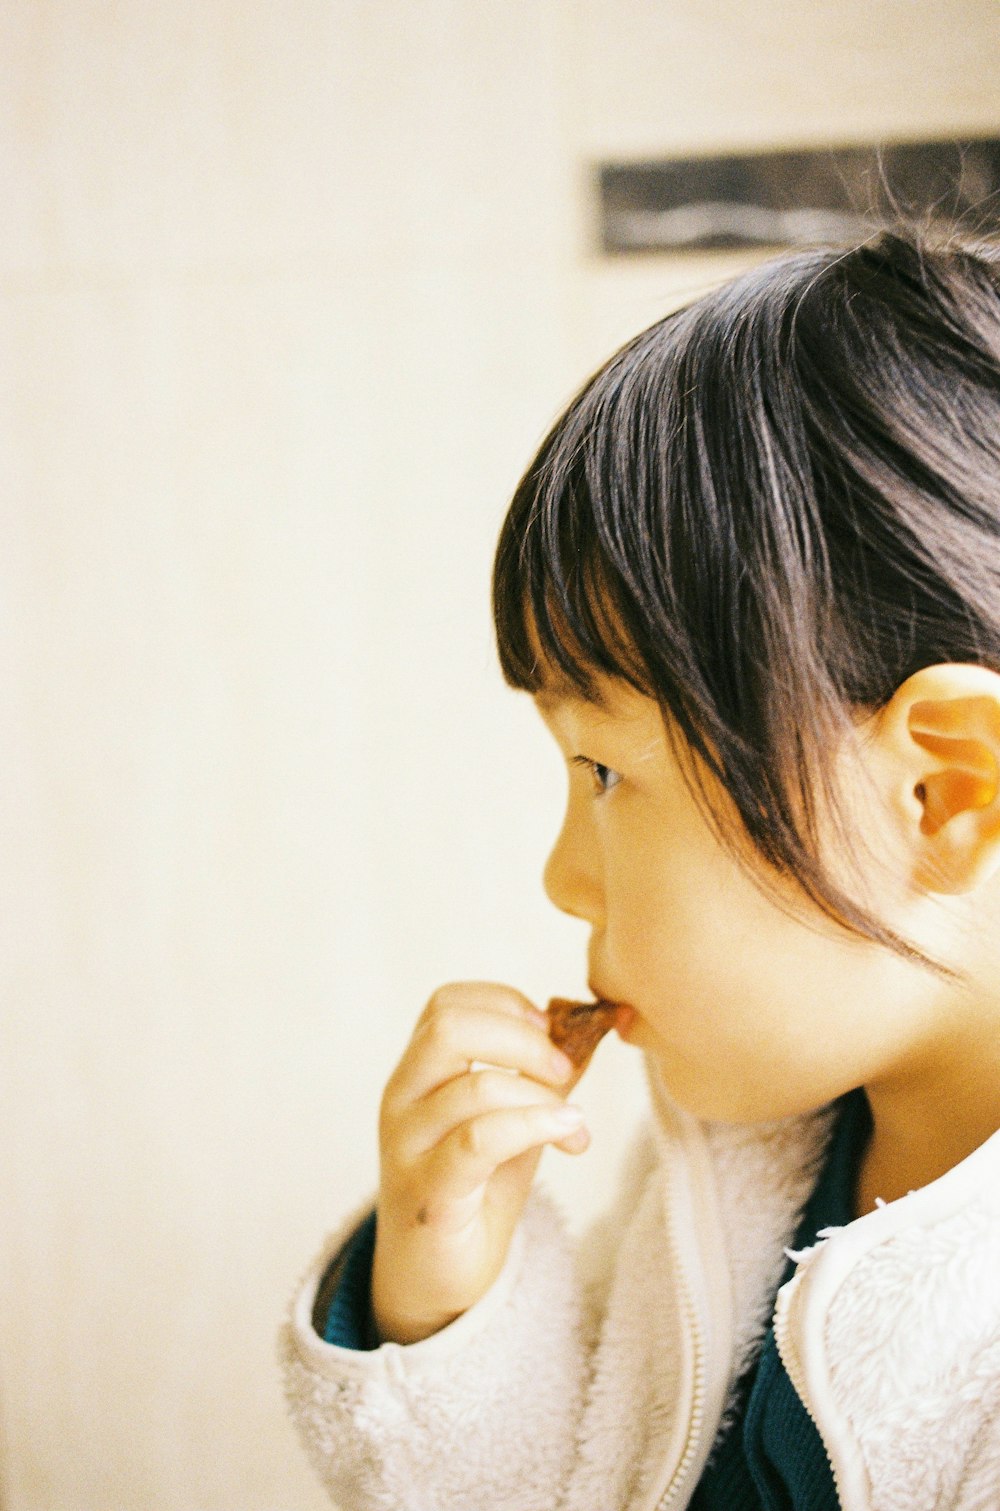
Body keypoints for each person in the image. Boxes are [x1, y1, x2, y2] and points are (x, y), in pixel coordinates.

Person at [279, 229, 1000, 1511]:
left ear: (940, 790)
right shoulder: (733, 1164)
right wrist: (442, 1289)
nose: (565, 875)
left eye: (604, 771)